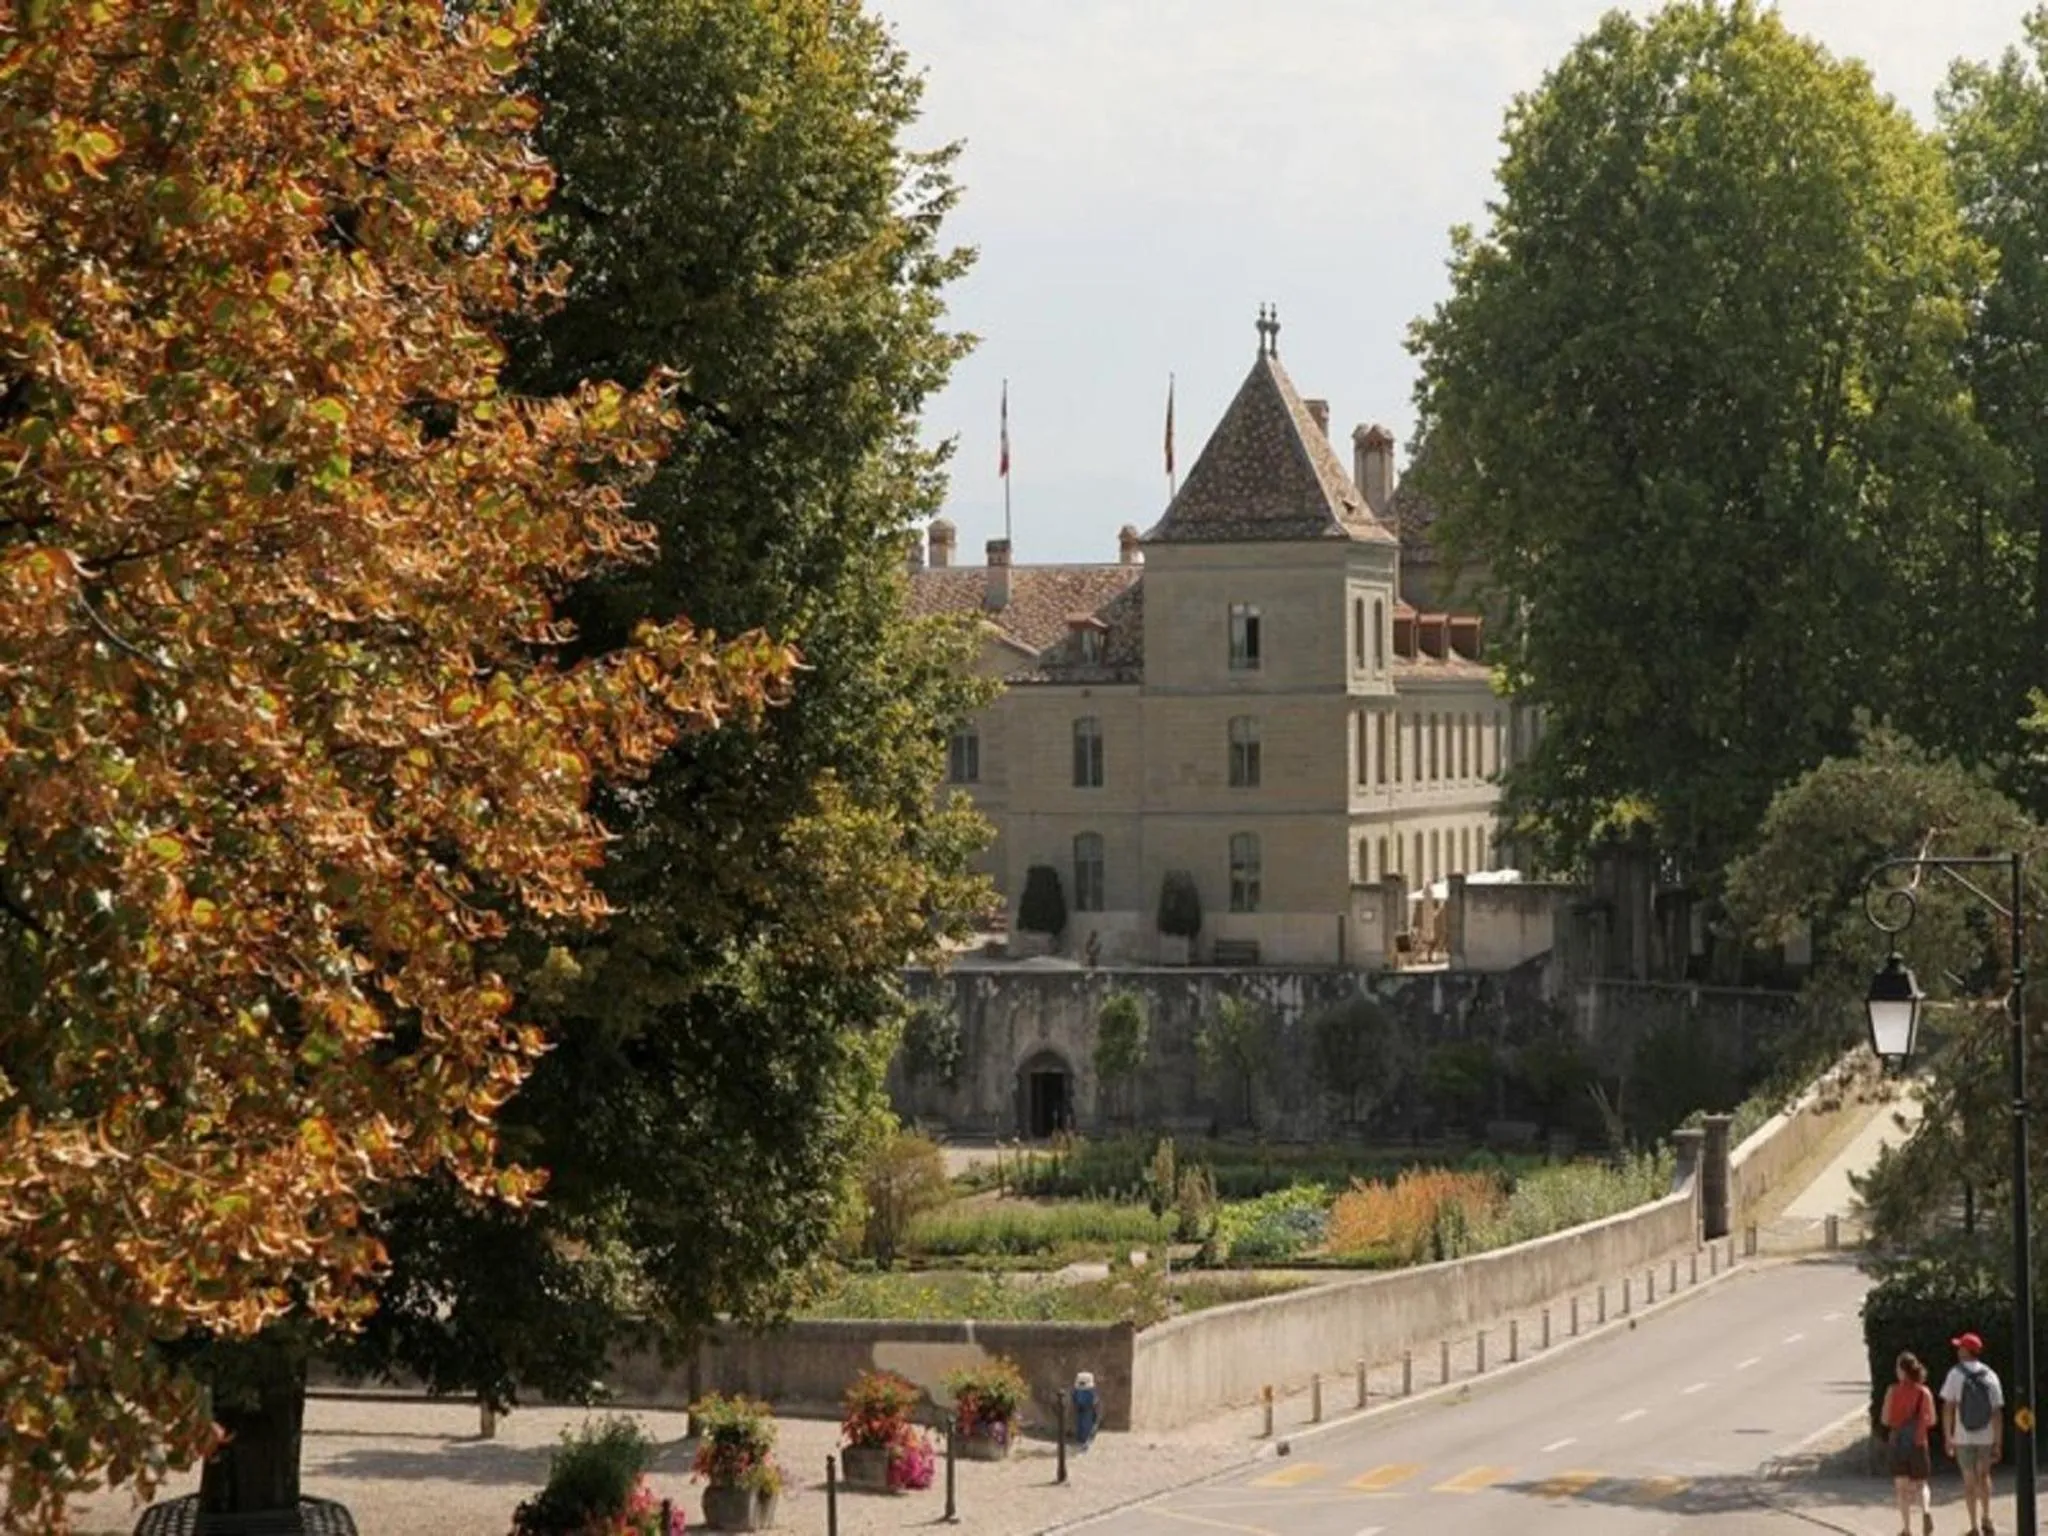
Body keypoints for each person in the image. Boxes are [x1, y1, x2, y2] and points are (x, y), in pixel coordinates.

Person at [1941, 1331, 2005, 1536]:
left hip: (1963, 1436)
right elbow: (1997, 1412)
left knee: (1969, 1481)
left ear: (1966, 1351)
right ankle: (1987, 1516)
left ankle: (1973, 1526)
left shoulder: (1955, 1374)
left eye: (1960, 1347)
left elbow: (1948, 1407)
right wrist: (1998, 1442)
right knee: (1984, 1476)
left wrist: (1948, 1436)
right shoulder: (1991, 1375)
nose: (1958, 1350)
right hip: (1986, 1436)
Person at [1882, 1350, 1937, 1536]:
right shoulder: (1924, 1392)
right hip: (1919, 1442)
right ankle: (1926, 1511)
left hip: (1898, 1444)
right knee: (1922, 1484)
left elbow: (1885, 1420)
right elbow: (1932, 1421)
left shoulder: (1892, 1391)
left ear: (1902, 1371)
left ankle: (1907, 1528)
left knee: (1901, 1488)